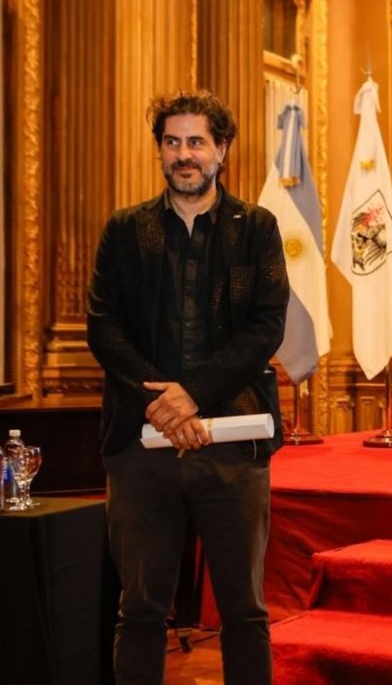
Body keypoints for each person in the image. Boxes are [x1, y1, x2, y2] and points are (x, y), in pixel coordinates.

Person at [87, 90, 289, 685]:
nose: (184, 155)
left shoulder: (256, 228)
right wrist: (162, 406)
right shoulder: (125, 231)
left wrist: (190, 395)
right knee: (141, 610)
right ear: (160, 153)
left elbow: (265, 328)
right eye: (172, 142)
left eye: (196, 142)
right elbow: (104, 326)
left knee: (245, 613)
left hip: (234, 441)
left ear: (222, 150)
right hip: (139, 445)